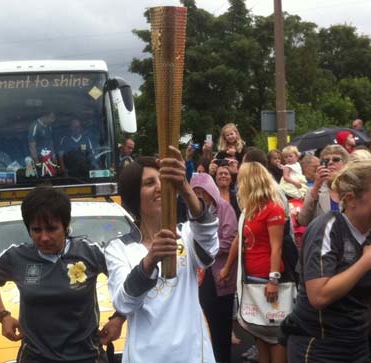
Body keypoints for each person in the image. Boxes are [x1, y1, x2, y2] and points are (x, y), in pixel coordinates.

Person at [0, 186, 125, 362]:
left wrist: (119, 318)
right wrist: (3, 315)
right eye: (37, 230)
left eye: (51, 229)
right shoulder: (16, 256)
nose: (44, 237)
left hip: (87, 357)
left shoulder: (89, 253)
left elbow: (129, 283)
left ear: (66, 225)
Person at [105, 147, 219, 363]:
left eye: (162, 180)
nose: (160, 188)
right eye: (149, 183)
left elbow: (210, 249)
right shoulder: (119, 248)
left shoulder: (185, 234)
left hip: (192, 354)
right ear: (133, 196)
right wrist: (150, 261)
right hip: (145, 356)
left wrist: (184, 186)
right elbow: (124, 303)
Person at [284, 158, 371, 363]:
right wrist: (365, 261)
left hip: (358, 347)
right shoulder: (327, 228)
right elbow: (318, 296)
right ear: (351, 199)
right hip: (318, 347)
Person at [228, 162, 287, 363]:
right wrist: (228, 268)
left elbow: (276, 247)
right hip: (251, 277)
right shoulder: (249, 210)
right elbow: (239, 240)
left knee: (276, 333)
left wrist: (273, 280)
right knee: (259, 331)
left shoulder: (273, 209)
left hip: (266, 279)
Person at [190, 173, 237, 363]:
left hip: (219, 274)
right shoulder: (191, 213)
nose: (200, 195)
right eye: (196, 192)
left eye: (203, 191)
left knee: (221, 327)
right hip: (199, 276)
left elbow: (230, 239)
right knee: (202, 322)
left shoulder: (224, 208)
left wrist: (206, 248)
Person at [298, 145, 349, 226]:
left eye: (336, 159)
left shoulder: (353, 187)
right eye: (326, 160)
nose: (330, 162)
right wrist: (316, 187)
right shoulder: (314, 190)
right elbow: (303, 221)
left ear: (345, 164)